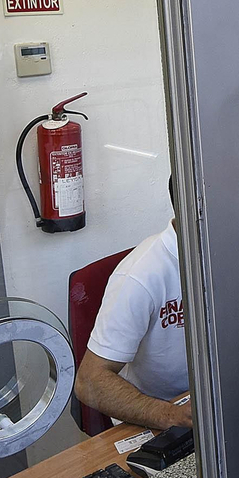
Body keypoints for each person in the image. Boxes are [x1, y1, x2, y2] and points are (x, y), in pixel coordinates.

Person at [75, 179, 192, 431]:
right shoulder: (140, 275)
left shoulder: (231, 252)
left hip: (214, 398)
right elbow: (90, 382)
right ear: (191, 208)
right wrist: (171, 415)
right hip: (157, 414)